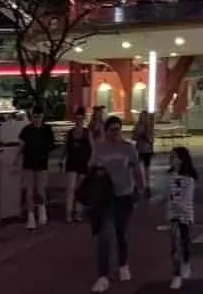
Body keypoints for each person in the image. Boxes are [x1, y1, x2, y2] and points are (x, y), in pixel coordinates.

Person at [89, 115, 146, 293]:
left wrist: (141, 188)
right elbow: (91, 168)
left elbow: (137, 169)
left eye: (117, 130)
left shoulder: (128, 148)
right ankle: (103, 276)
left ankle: (123, 264)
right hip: (105, 197)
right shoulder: (100, 148)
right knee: (105, 235)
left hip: (124, 195)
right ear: (106, 132)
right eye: (111, 130)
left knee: (121, 232)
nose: (115, 134)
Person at [16, 106, 55, 230]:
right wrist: (16, 159)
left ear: (42, 117)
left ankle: (42, 210)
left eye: (39, 117)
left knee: (40, 189)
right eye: (35, 117)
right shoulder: (27, 130)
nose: (37, 119)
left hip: (41, 163)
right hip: (28, 163)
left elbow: (51, 145)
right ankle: (31, 216)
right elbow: (21, 145)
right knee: (29, 190)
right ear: (32, 117)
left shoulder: (47, 130)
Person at [167, 146, 198, 290]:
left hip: (185, 215)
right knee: (174, 247)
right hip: (173, 216)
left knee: (184, 243)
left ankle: (186, 263)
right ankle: (176, 274)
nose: (172, 160)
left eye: (175, 157)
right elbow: (169, 197)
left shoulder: (189, 180)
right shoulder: (171, 176)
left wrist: (179, 208)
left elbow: (187, 199)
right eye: (171, 157)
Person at [62, 107, 92, 222]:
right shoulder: (70, 133)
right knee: (70, 188)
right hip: (71, 162)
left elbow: (92, 148)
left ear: (83, 120)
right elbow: (65, 148)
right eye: (76, 119)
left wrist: (91, 161)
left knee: (80, 189)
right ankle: (68, 213)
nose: (78, 121)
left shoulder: (87, 133)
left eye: (80, 119)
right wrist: (61, 159)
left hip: (83, 163)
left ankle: (78, 213)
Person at [131, 109, 155, 197]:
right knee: (137, 168)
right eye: (142, 116)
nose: (144, 118)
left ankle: (147, 187)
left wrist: (147, 138)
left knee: (146, 169)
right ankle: (137, 185)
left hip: (147, 150)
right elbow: (133, 136)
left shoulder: (149, 127)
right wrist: (138, 135)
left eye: (145, 116)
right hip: (139, 149)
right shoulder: (138, 126)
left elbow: (151, 139)